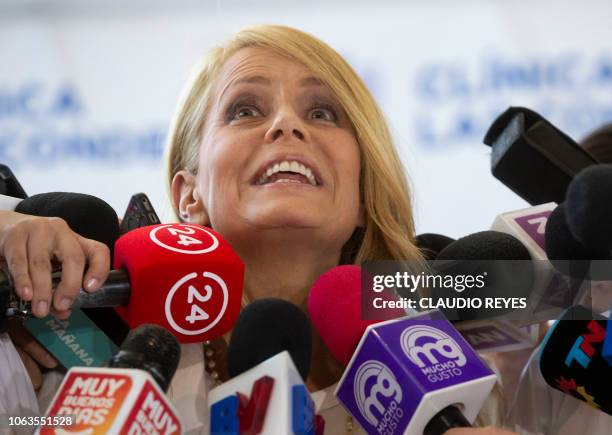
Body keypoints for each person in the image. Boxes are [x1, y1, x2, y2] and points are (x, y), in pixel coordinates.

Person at [0, 25, 513, 434]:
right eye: (245, 110)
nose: (287, 125)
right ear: (188, 197)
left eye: (323, 112)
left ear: (362, 195)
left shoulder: (471, 363)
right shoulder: (79, 362)